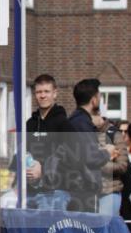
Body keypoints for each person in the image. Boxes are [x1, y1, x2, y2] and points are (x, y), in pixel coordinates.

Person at [67, 79, 117, 212]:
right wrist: (107, 152)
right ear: (93, 100)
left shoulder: (77, 121)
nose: (100, 100)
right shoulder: (81, 123)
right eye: (99, 96)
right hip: (83, 189)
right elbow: (90, 157)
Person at [25, 74, 71, 211]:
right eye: (39, 92)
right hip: (30, 190)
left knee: (50, 231)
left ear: (55, 93)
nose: (42, 96)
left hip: (55, 191)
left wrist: (43, 169)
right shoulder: (30, 124)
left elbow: (70, 157)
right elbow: (24, 152)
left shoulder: (64, 124)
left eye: (46, 91)